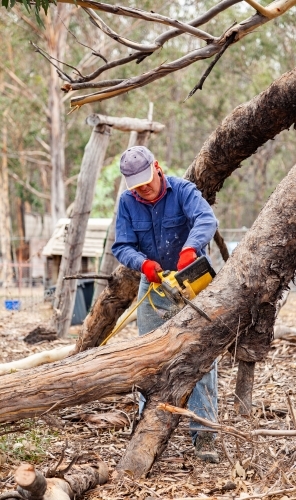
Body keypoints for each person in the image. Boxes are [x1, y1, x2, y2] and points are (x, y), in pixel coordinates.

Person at [112, 145, 219, 463]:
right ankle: (149, 435)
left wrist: (191, 248)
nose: (143, 189)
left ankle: (205, 438)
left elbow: (206, 219)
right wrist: (143, 264)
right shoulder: (126, 203)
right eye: (136, 186)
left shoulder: (184, 191)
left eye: (146, 180)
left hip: (193, 276)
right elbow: (122, 245)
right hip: (154, 283)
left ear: (156, 167)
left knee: (201, 356)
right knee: (151, 358)